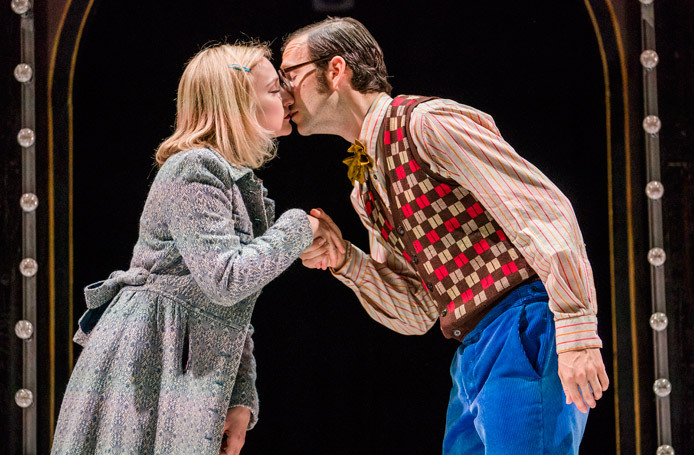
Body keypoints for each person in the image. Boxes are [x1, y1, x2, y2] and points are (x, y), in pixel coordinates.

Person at [280, 17, 609, 454]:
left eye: (290, 75)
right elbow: (417, 310)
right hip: (471, 349)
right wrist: (345, 260)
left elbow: (541, 210)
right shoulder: (366, 187)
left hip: (522, 321)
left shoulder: (426, 124)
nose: (284, 93)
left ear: (335, 71)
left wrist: (576, 326)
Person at [51, 42, 340, 455]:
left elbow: (231, 307)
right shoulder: (193, 168)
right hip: (147, 359)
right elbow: (226, 278)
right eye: (275, 90)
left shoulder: (236, 184)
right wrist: (300, 226)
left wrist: (241, 398)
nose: (288, 98)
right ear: (237, 104)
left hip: (177, 357)